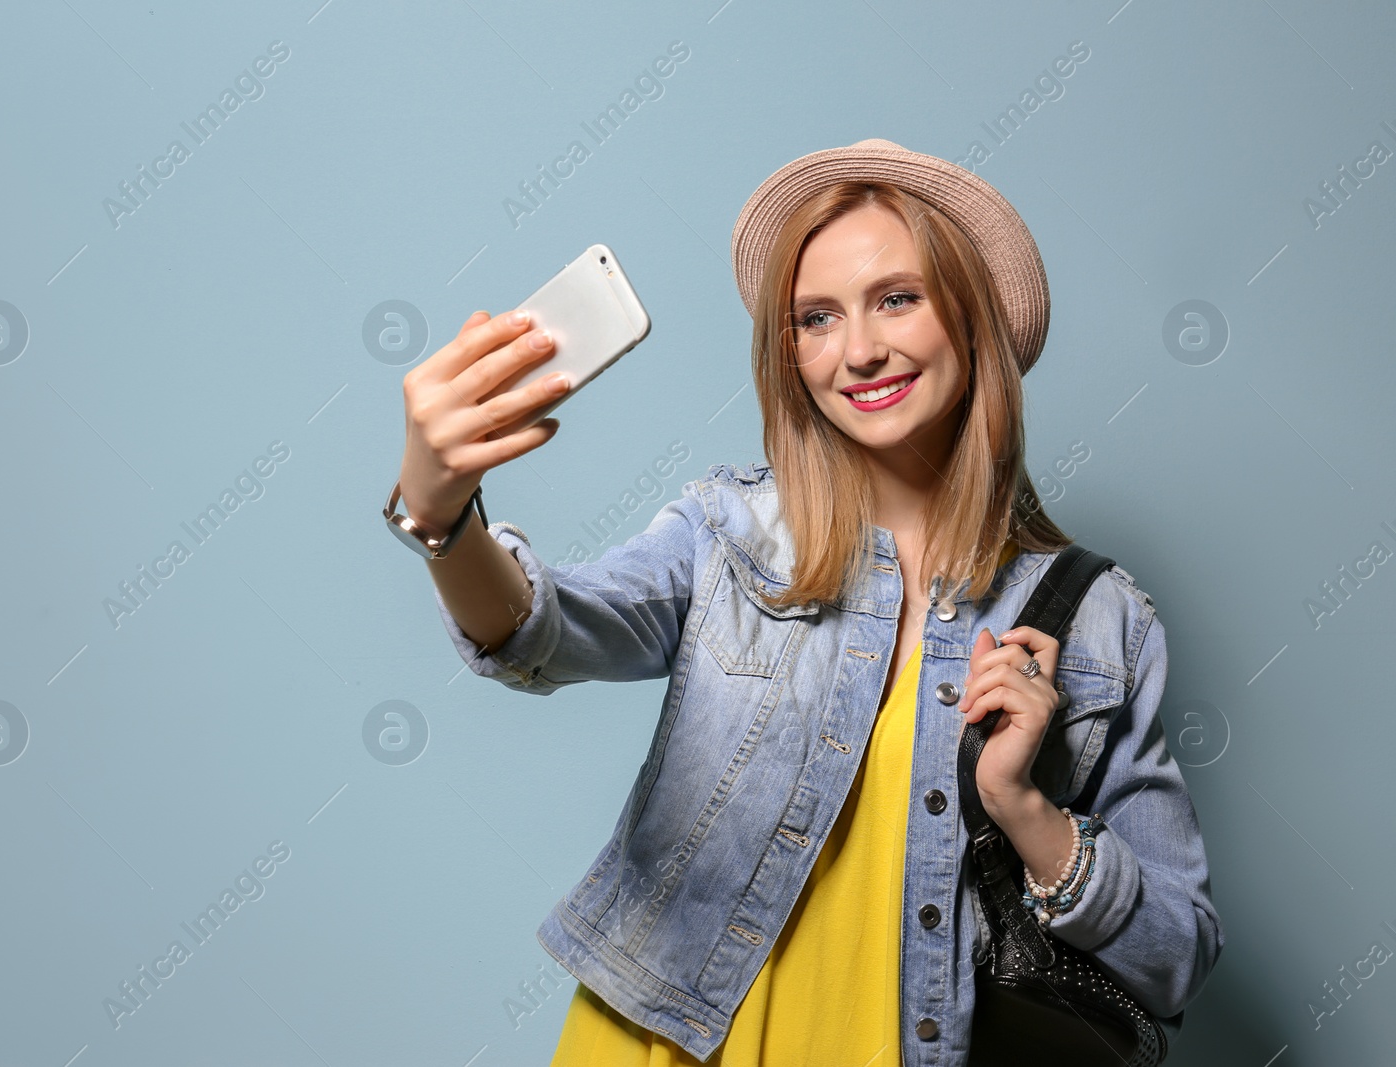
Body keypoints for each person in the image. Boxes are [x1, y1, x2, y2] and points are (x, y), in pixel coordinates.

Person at [386, 138, 1222, 1065]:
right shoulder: (730, 530)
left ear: (973, 317)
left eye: (896, 298)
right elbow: (543, 632)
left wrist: (1024, 807)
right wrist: (443, 517)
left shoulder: (1103, 619)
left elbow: (1175, 957)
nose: (857, 350)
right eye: (814, 318)